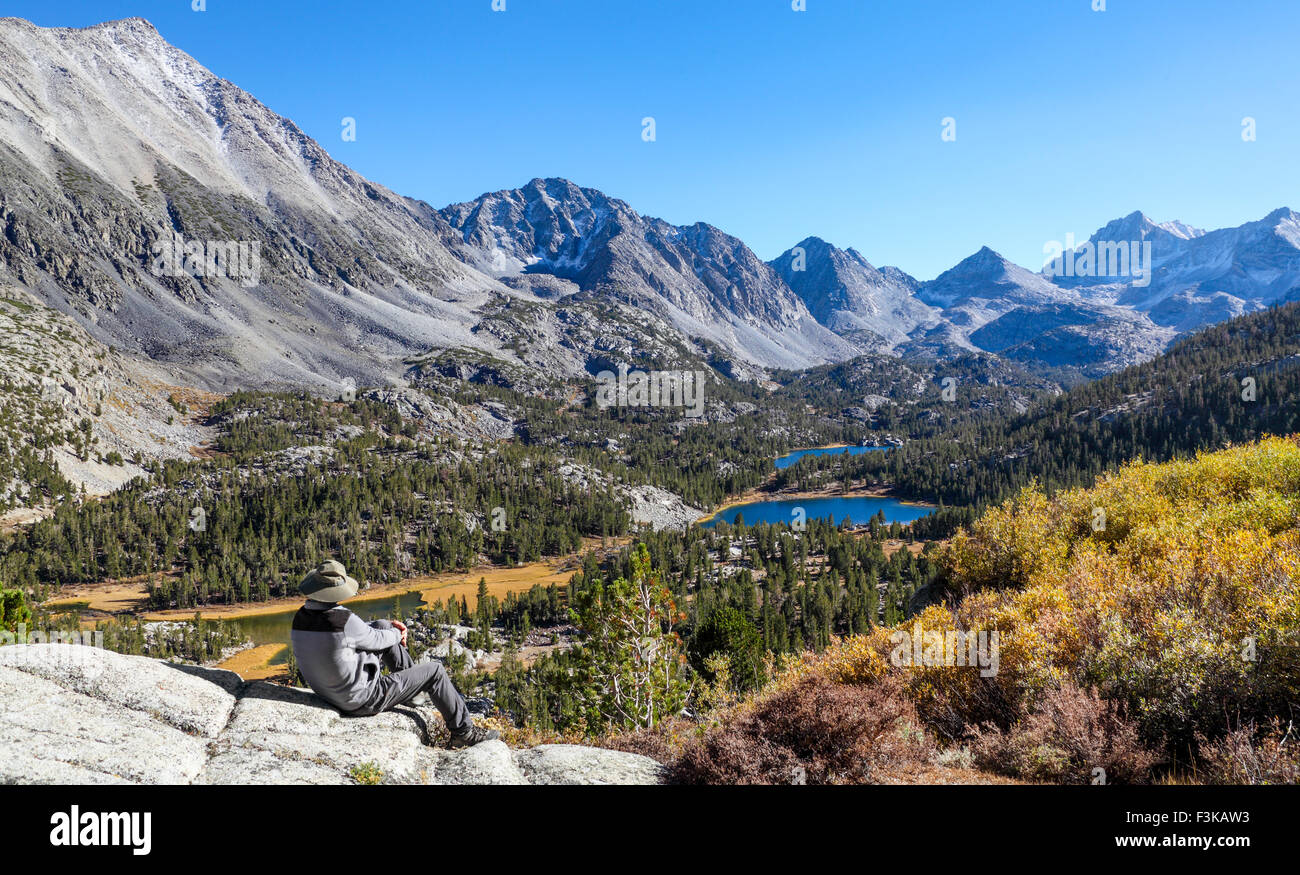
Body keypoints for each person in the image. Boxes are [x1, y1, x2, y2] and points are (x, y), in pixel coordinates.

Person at [289, 559, 499, 749]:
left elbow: (357, 634)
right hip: (361, 700)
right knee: (435, 670)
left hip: (330, 694)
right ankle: (464, 732)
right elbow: (377, 639)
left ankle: (413, 695)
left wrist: (387, 628)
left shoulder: (301, 618)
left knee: (381, 625)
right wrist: (398, 632)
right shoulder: (343, 620)